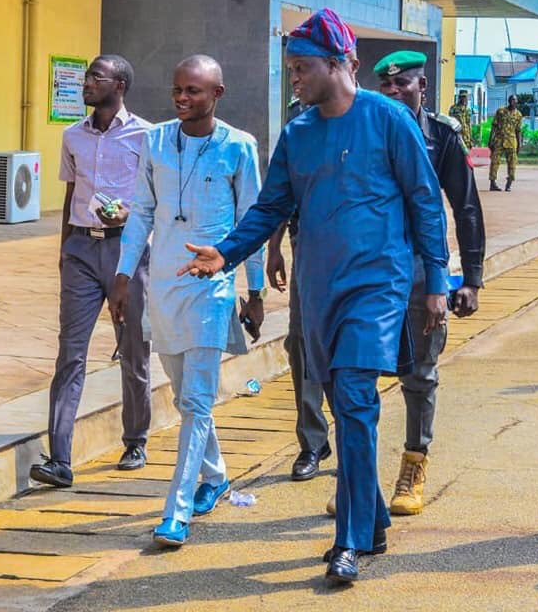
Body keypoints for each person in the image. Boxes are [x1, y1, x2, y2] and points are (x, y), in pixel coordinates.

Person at [177, 9, 449, 586]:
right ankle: (372, 516)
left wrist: (439, 282)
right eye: (291, 69)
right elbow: (272, 207)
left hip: (379, 286)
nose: (294, 79)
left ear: (336, 64)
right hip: (318, 289)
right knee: (342, 405)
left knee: (353, 397)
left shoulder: (391, 120)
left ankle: (347, 541)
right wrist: (227, 253)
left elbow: (425, 201)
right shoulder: (299, 133)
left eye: (301, 68)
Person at [112, 55, 265, 549]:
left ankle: (175, 513)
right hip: (163, 284)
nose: (182, 98)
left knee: (196, 401)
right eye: (177, 89)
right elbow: (139, 212)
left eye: (194, 91)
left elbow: (252, 224)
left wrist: (256, 291)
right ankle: (216, 476)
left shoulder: (239, 147)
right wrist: (121, 274)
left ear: (217, 94)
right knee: (184, 397)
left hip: (211, 287)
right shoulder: (154, 140)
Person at [371, 50, 485, 516]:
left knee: (419, 371)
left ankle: (414, 465)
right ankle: (358, 479)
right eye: (387, 86)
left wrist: (471, 279)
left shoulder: (441, 135)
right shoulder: (367, 126)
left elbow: (467, 207)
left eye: (404, 84)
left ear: (423, 86)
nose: (395, 91)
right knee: (355, 373)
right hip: (373, 264)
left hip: (422, 266)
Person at [30, 55, 152, 489]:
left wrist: (129, 215)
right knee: (70, 352)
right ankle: (59, 458)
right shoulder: (71, 136)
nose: (87, 83)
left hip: (127, 251)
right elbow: (70, 193)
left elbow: (155, 199)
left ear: (119, 85)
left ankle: (136, 439)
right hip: (81, 249)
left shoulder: (146, 136)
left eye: (96, 77)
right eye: (86, 77)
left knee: (133, 347)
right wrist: (65, 247)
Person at [266, 95, 331, 482]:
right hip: (305, 244)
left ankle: (357, 442)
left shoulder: (364, 120)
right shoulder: (298, 123)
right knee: (302, 343)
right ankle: (312, 442)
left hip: (353, 249)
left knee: (348, 347)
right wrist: (274, 248)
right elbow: (281, 194)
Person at [489, 94, 523, 191]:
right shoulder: (501, 111)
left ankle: (509, 184)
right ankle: (492, 183)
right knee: (495, 162)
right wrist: (490, 140)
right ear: (509, 101)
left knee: (512, 163)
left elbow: (518, 130)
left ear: (517, 102)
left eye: (515, 100)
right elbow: (494, 126)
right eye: (512, 100)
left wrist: (519, 144)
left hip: (512, 142)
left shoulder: (518, 115)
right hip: (499, 140)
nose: (513, 102)